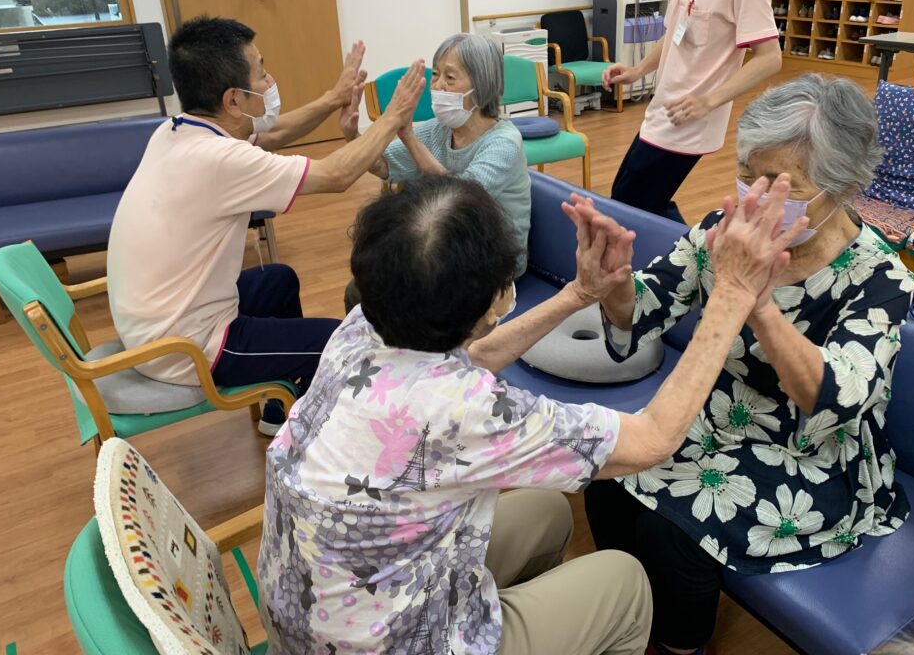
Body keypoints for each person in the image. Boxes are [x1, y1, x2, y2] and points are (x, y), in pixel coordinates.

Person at [258, 171, 807, 653]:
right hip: (394, 642)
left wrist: (579, 294)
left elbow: (470, 356)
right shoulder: (470, 410)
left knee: (549, 513)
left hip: (307, 618)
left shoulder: (361, 328)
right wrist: (733, 293)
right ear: (489, 304)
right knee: (624, 580)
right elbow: (653, 439)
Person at [579, 75, 914, 655]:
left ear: (843, 187)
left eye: (782, 186)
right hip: (717, 422)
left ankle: (680, 646)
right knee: (608, 481)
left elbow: (833, 399)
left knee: (673, 530)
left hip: (811, 456)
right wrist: (611, 284)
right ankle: (633, 621)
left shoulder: (879, 278)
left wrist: (758, 305)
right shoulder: (722, 229)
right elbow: (648, 305)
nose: (755, 199)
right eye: (747, 173)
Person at [107, 16, 425, 434]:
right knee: (337, 343)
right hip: (186, 347)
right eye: (260, 72)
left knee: (278, 281)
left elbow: (276, 133)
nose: (270, 80)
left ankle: (281, 409)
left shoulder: (178, 131)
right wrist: (393, 116)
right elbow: (336, 175)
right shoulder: (220, 160)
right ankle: (311, 432)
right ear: (233, 101)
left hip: (155, 321)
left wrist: (333, 98)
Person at [603, 0, 782, 223]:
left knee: (629, 204)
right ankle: (695, 247)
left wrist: (707, 101)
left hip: (690, 119)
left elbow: (770, 58)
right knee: (640, 202)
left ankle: (690, 249)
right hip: (662, 108)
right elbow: (675, 34)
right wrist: (637, 71)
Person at [341, 33, 530, 275]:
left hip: (496, 259)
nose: (438, 86)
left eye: (450, 78)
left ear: (482, 85)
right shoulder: (439, 129)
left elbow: (461, 198)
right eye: (436, 75)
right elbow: (382, 164)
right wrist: (352, 135)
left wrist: (408, 135)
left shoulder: (505, 142)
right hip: (449, 245)